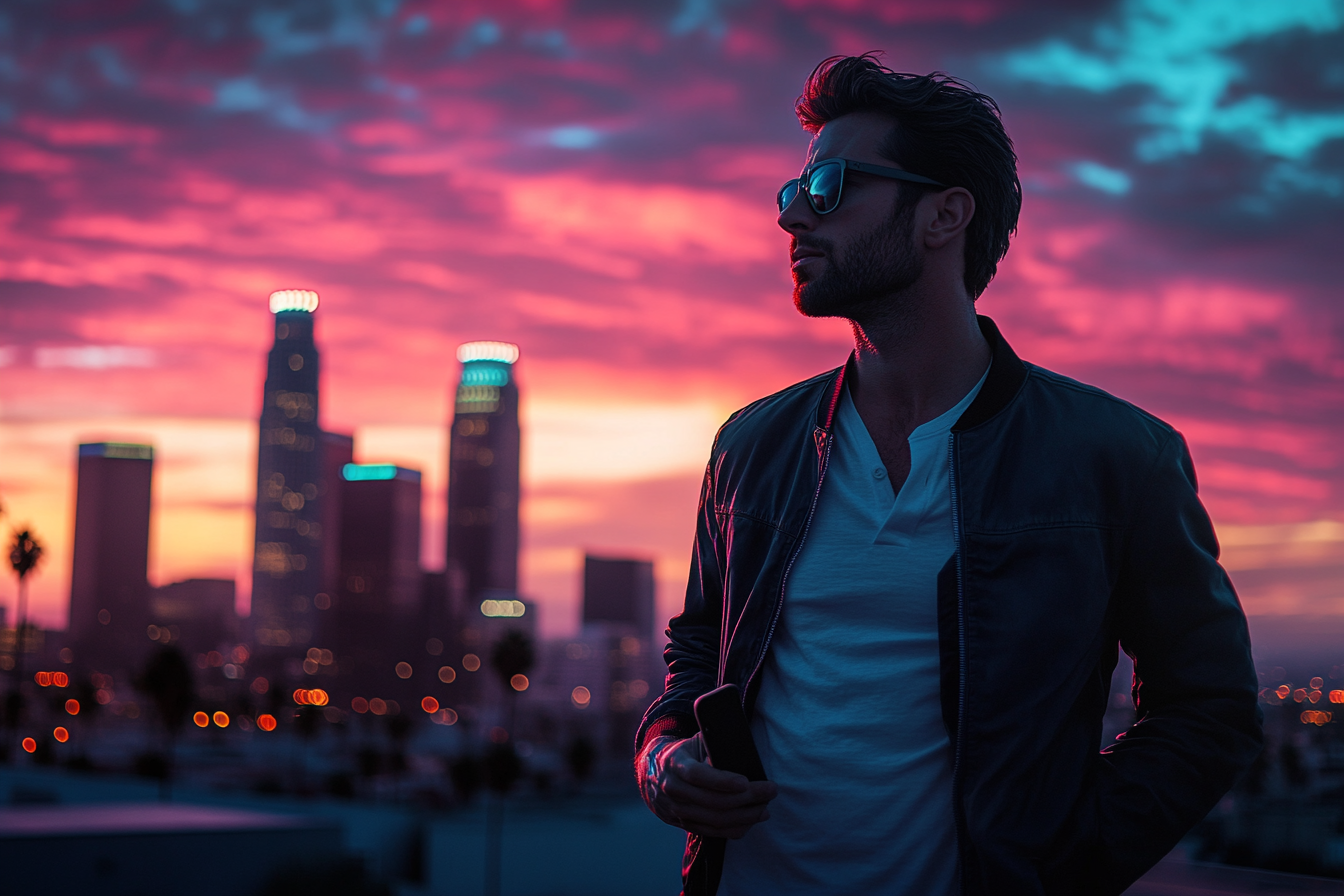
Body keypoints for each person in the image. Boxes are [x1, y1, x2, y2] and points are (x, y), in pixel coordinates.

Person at [634, 54, 1262, 896]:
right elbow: (699, 645)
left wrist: (1064, 861)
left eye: (829, 187)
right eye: (792, 193)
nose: (793, 218)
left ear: (944, 215)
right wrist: (664, 755)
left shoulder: (1115, 457)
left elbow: (1207, 708)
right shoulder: (753, 446)